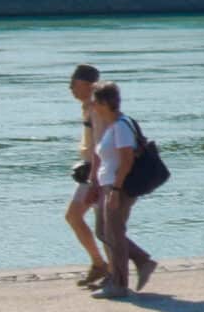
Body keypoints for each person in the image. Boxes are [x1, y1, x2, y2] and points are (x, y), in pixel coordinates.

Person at [86, 82, 159, 299]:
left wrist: (116, 190)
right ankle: (142, 260)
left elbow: (127, 160)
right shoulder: (113, 125)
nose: (92, 106)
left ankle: (118, 285)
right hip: (108, 185)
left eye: (95, 102)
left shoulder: (120, 127)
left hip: (119, 186)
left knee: (114, 235)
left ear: (105, 103)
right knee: (103, 231)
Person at [66, 64, 111, 288]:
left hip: (99, 172)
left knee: (103, 225)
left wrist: (94, 178)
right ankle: (100, 265)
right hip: (92, 170)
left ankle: (113, 270)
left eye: (72, 83)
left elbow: (100, 145)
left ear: (86, 84)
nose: (70, 88)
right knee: (78, 218)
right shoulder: (88, 106)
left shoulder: (96, 108)